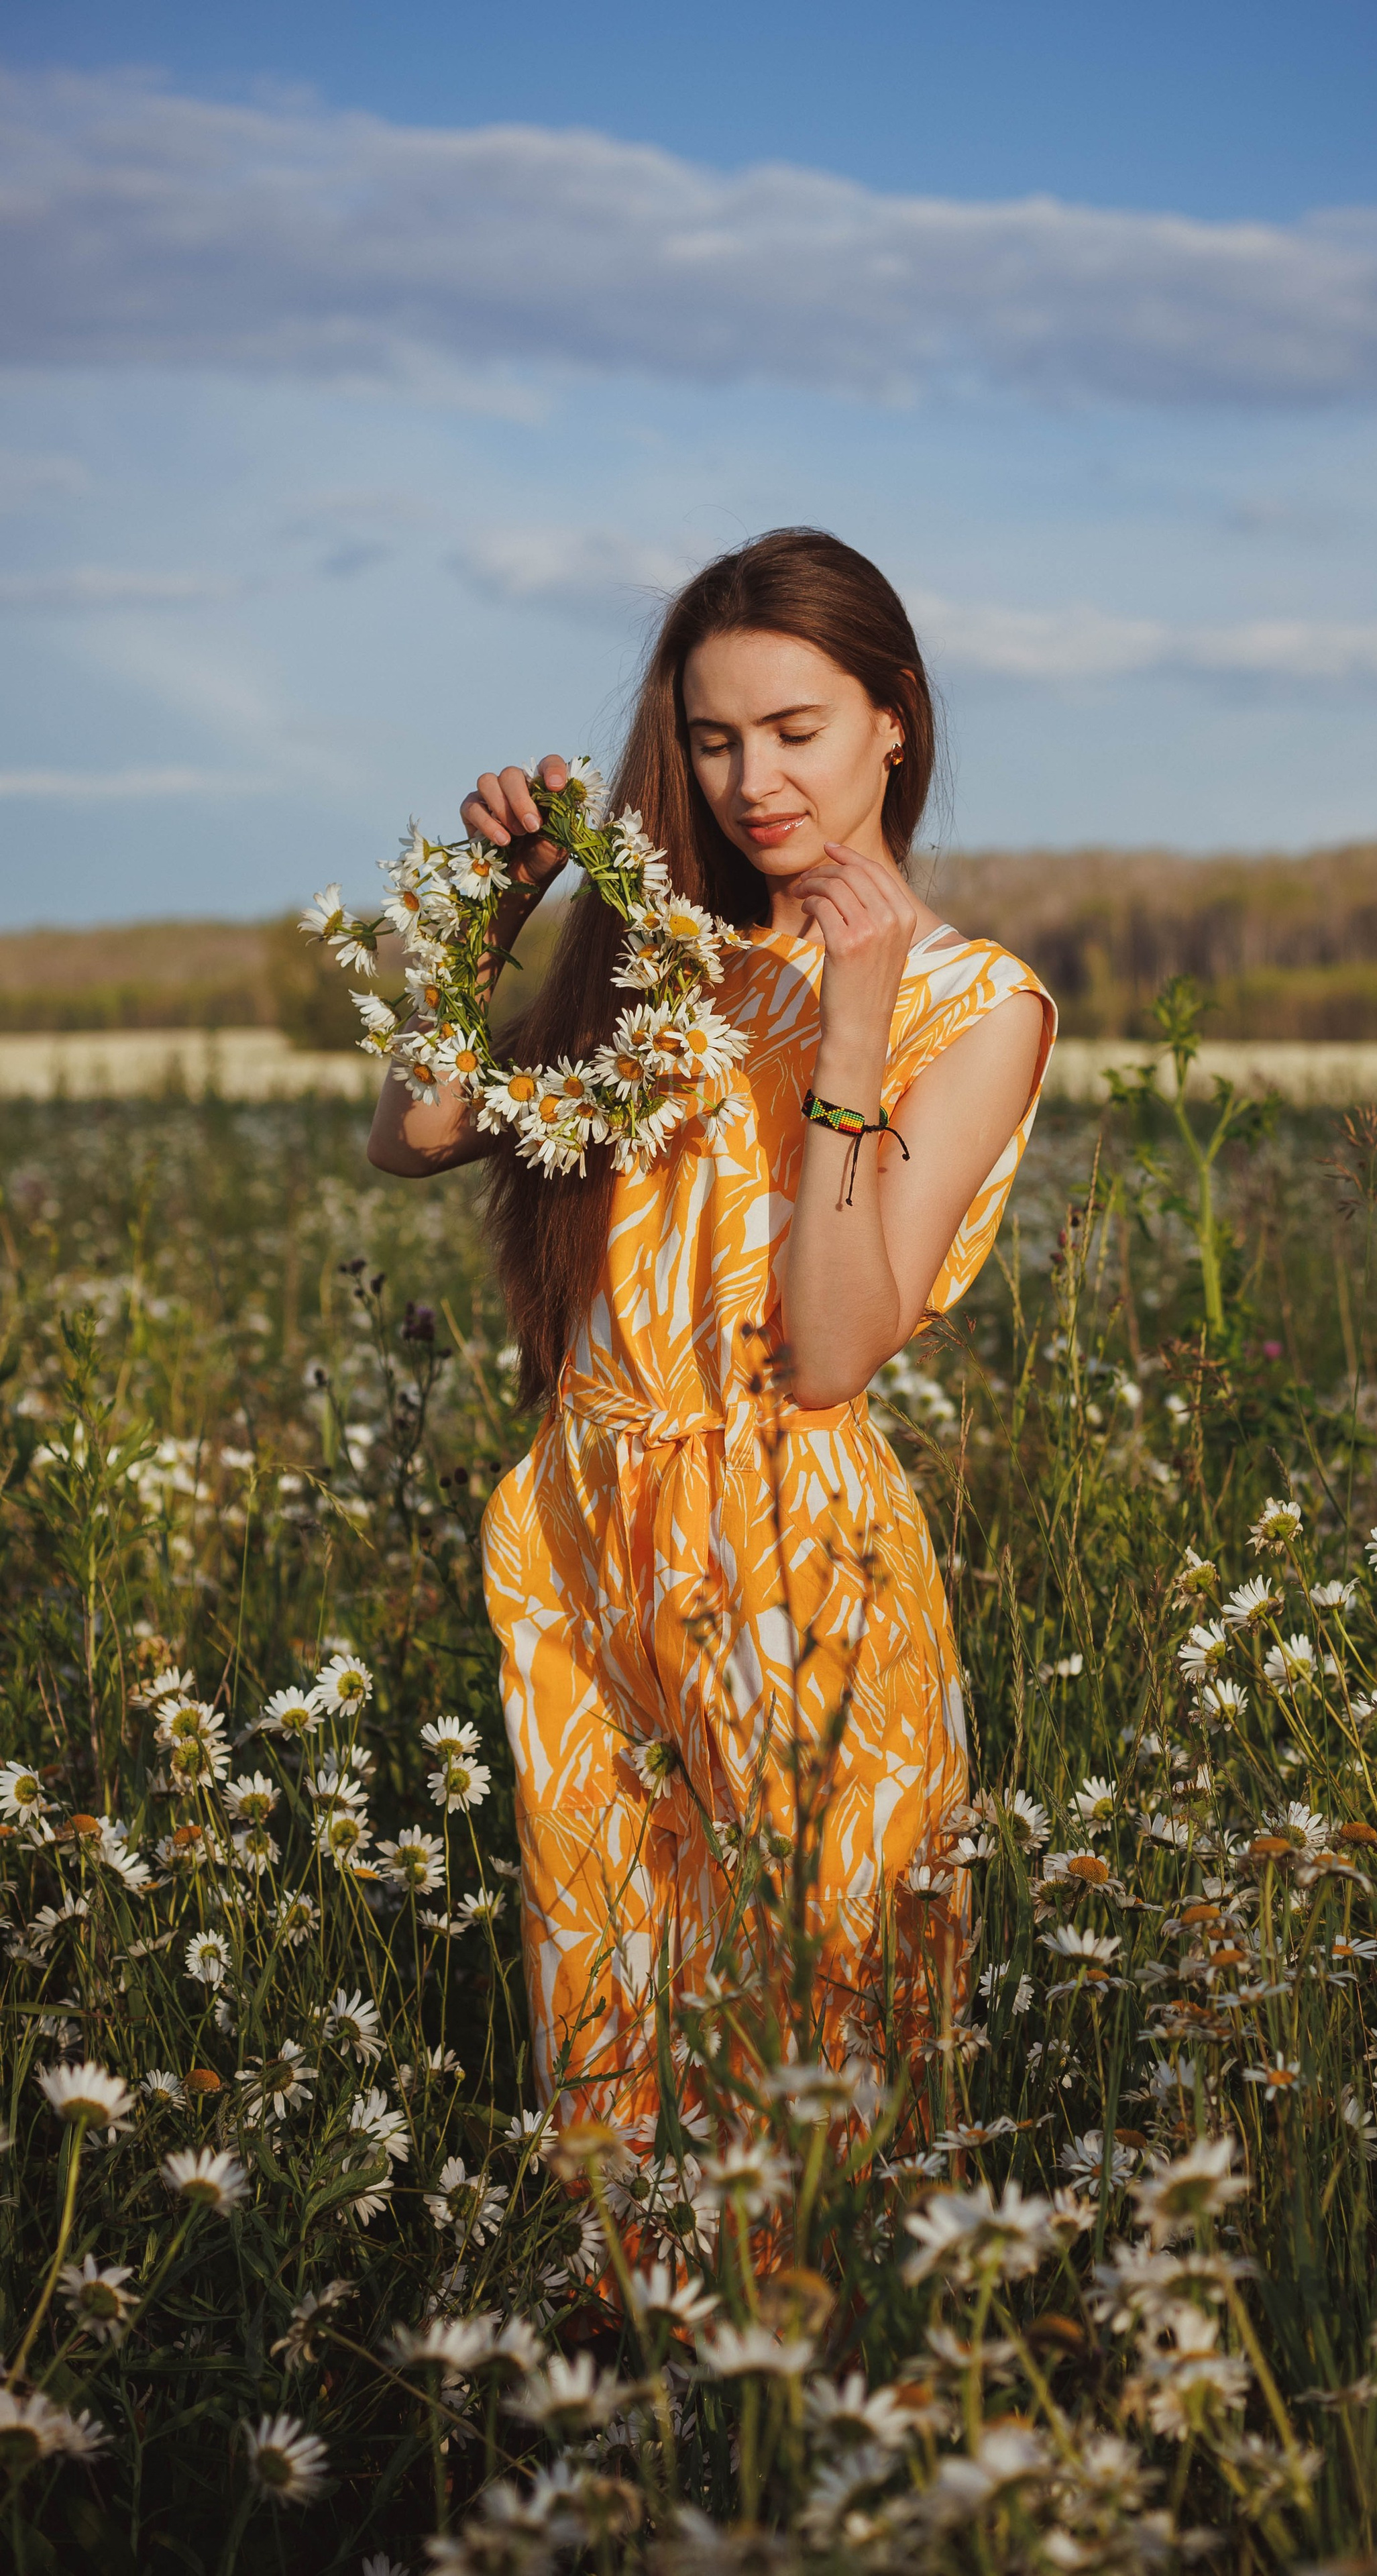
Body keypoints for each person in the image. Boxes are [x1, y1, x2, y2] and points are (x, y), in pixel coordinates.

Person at [368, 527, 1055, 2133]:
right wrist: (488, 921)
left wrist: (858, 1016)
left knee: (816, 2080)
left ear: (893, 716)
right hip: (585, 1529)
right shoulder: (663, 956)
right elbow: (412, 1134)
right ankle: (632, 2383)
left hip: (790, 1554)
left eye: (796, 730)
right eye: (711, 735)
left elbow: (827, 1353)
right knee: (615, 2049)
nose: (753, 778)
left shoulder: (980, 1006)